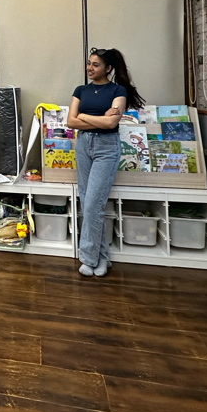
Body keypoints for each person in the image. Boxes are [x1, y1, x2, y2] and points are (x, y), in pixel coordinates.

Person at [67, 47, 144, 278]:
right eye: (89, 63)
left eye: (96, 64)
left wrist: (84, 116)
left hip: (107, 147)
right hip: (83, 145)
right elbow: (71, 122)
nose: (90, 68)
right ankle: (102, 257)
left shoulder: (117, 90)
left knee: (93, 203)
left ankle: (88, 259)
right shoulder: (80, 90)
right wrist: (99, 118)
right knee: (87, 201)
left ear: (108, 68)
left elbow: (111, 124)